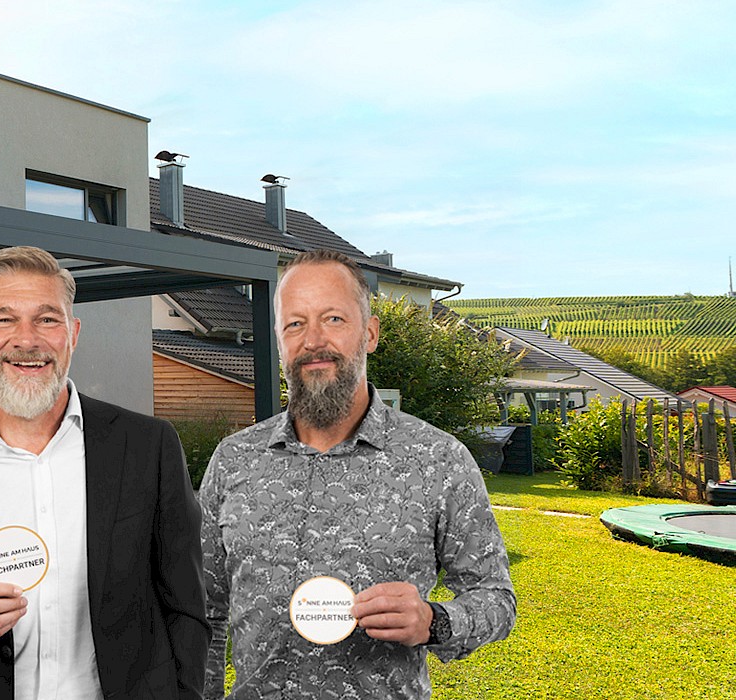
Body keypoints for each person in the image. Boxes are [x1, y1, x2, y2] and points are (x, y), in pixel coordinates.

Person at [0, 245, 208, 699]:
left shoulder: (147, 446)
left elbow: (187, 606)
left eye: (47, 319)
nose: (27, 339)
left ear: (72, 334)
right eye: (4, 319)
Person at [198, 249, 516, 699]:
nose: (313, 340)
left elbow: (496, 599)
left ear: (369, 332)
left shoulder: (438, 460)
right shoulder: (235, 460)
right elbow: (202, 611)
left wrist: (433, 620)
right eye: (295, 323)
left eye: (333, 319)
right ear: (278, 338)